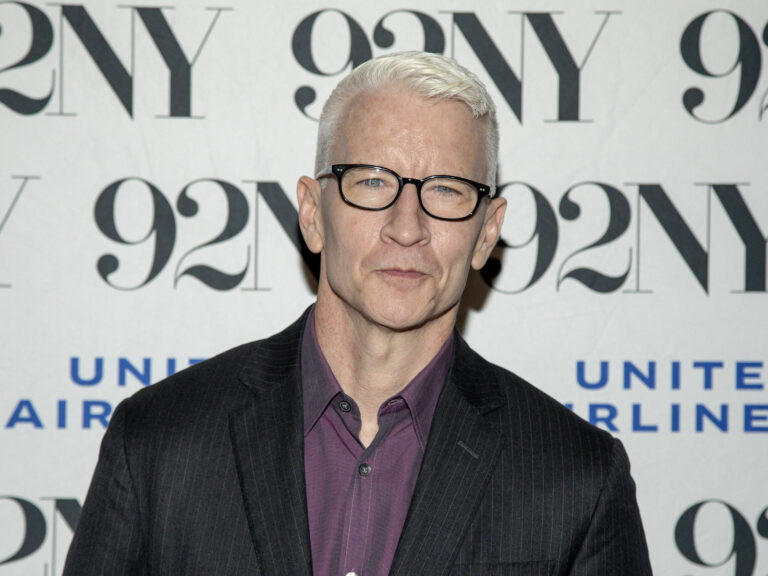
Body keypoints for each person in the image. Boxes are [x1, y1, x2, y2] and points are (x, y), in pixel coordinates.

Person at [64, 51, 652, 576]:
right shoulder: (159, 442)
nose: (407, 227)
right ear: (313, 214)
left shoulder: (576, 478)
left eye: (447, 189)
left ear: (486, 233)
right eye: (372, 182)